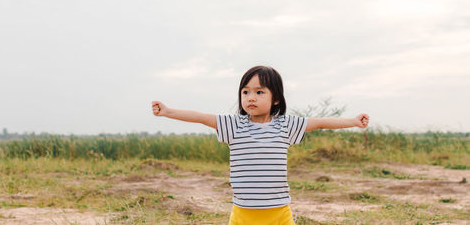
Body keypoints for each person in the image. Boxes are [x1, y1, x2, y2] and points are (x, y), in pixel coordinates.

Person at [152, 65, 369, 225]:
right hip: (244, 212)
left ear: (275, 99)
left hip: (279, 212)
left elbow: (320, 122)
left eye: (259, 92)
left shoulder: (286, 125)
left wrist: (352, 121)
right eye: (245, 92)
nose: (250, 97)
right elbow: (200, 117)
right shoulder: (234, 125)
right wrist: (168, 111)